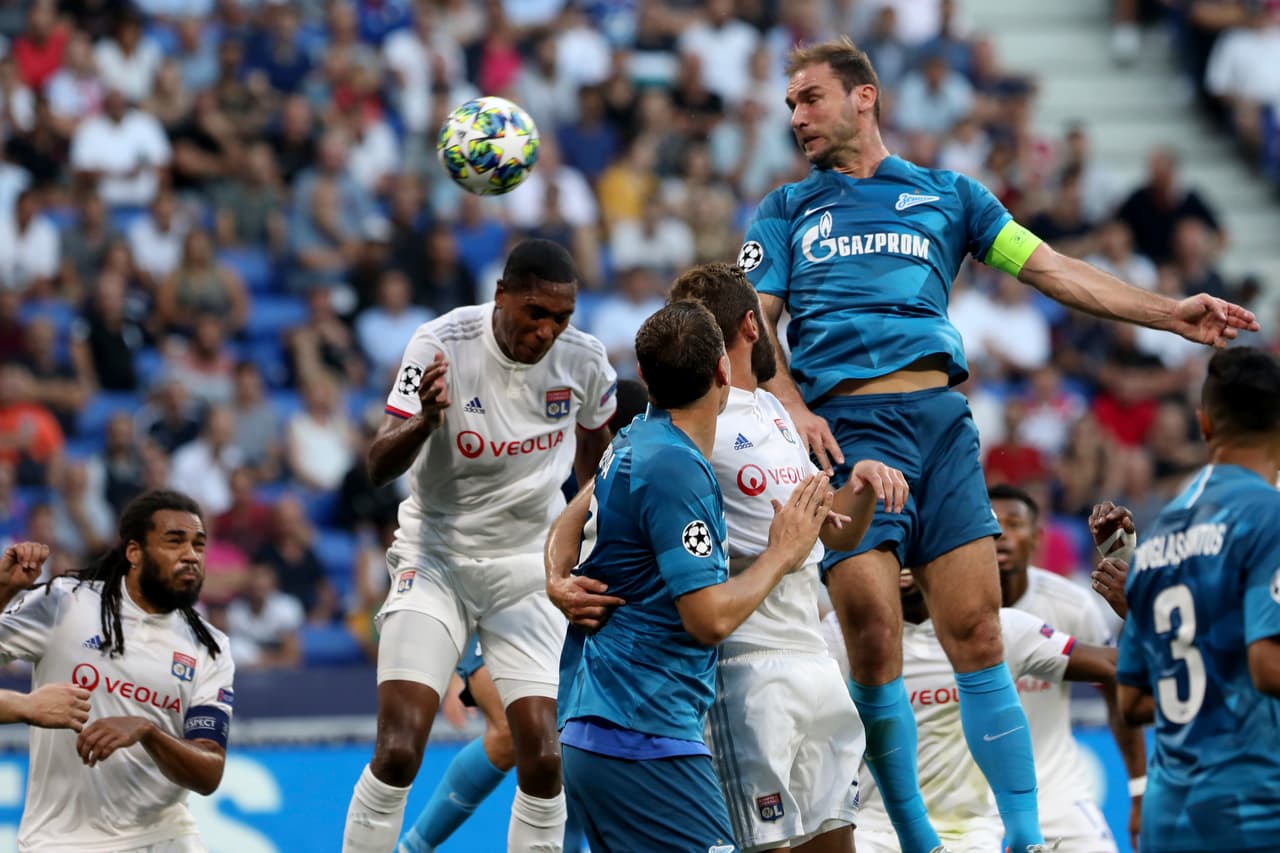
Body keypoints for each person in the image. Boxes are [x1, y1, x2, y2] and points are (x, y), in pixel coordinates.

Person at [739, 36, 1257, 853]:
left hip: (940, 426)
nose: (796, 117)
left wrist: (1169, 313)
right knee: (873, 631)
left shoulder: (952, 197)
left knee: (977, 633)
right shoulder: (784, 211)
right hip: (845, 434)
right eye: (790, 105)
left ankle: (1023, 837)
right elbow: (752, 327)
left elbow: (1052, 270)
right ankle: (916, 837)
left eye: (809, 98)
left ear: (863, 96)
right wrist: (793, 408)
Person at [341, 238, 618, 853]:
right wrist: (424, 421)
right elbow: (378, 464)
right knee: (399, 748)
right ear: (501, 296)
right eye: (535, 313)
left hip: (528, 566)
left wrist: (588, 546)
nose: (547, 331)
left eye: (561, 318)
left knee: (544, 756)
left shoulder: (585, 362)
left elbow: (600, 466)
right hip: (435, 557)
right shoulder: (437, 344)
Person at [546, 300, 834, 852]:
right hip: (643, 734)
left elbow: (568, 517)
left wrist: (556, 579)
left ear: (644, 376)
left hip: (600, 729)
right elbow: (707, 620)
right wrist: (783, 552)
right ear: (724, 371)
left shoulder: (634, 437)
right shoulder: (677, 468)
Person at [665, 261, 906, 853]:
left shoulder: (774, 411)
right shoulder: (691, 421)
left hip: (815, 657)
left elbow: (833, 537)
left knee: (836, 840)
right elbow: (609, 489)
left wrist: (864, 486)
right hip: (746, 667)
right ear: (754, 325)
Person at [397, 379, 650, 853]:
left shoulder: (633, 480)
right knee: (530, 736)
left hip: (555, 623)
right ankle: (411, 847)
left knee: (563, 743)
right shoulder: (537, 461)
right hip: (499, 604)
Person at [0, 490, 236, 851]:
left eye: (198, 545)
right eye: (175, 541)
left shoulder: (210, 647)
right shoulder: (67, 603)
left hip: (163, 836)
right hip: (60, 842)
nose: (191, 555)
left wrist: (146, 731)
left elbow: (208, 773)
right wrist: (2, 591)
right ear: (134, 552)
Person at [821, 569, 1119, 853]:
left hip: (972, 833)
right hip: (876, 830)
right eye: (896, 540)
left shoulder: (995, 628)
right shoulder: (841, 633)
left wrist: (1136, 605)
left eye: (915, 538)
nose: (905, 554)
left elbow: (1114, 665)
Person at [1116, 346, 1280, 851]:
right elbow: (1267, 667)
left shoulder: (1157, 536)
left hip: (1172, 816)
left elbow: (1134, 700)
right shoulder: (1268, 516)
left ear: (1204, 424)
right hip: (1256, 808)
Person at [990, 485, 1147, 852]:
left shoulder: (1071, 605)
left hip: (1058, 798)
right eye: (993, 525)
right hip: (974, 805)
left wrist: (1139, 790)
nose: (1002, 536)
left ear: (1037, 538)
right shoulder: (948, 610)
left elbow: (1119, 689)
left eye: (1015, 524)